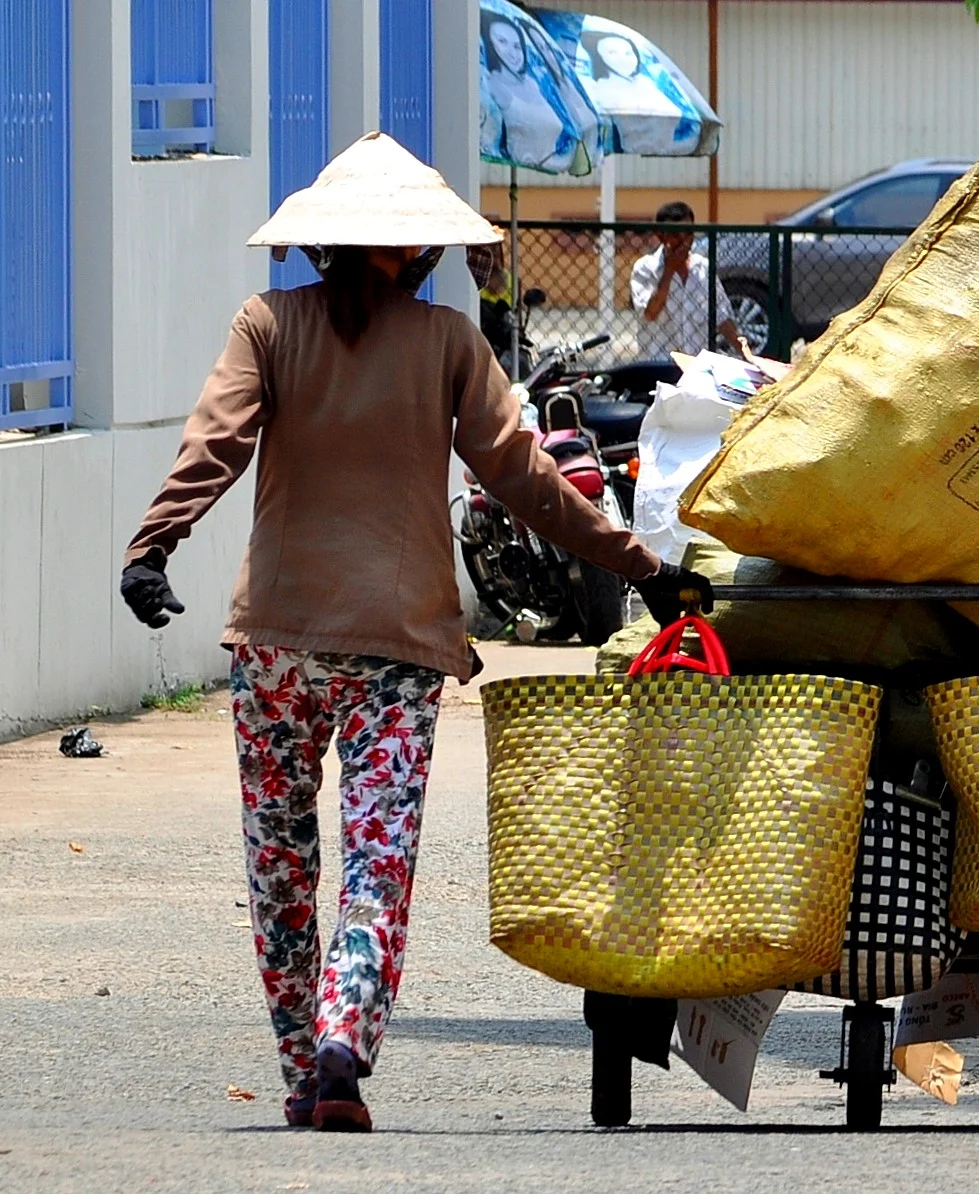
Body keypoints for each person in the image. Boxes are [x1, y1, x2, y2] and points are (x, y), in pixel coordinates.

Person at [116, 134, 711, 1133]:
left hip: (277, 645)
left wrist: (154, 546)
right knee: (377, 860)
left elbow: (215, 440)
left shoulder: (267, 324)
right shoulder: (447, 344)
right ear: (417, 252)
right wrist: (642, 567)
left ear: (322, 248)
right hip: (399, 650)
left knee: (281, 862)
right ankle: (347, 1034)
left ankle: (307, 1065)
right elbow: (527, 479)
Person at [480, 10, 596, 172]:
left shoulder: (535, 84)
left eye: (517, 45)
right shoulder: (489, 84)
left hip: (557, 162)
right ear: (489, 43)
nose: (512, 52)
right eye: (501, 41)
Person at [631, 201, 745, 357]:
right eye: (676, 235)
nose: (684, 241)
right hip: (659, 363)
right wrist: (669, 270)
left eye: (688, 233)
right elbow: (650, 313)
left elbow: (722, 317)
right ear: (661, 236)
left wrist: (745, 353)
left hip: (696, 365)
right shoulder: (646, 268)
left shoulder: (703, 268)